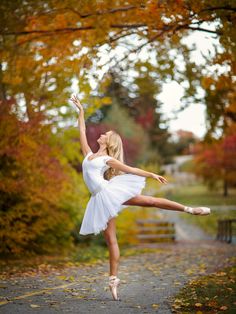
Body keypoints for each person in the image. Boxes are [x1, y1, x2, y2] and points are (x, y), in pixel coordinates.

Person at [69, 94, 211, 301]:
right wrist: (81, 111)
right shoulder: (88, 154)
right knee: (110, 239)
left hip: (108, 192)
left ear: (109, 142)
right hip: (99, 198)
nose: (103, 133)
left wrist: (151, 174)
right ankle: (113, 280)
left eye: (106, 133)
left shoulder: (108, 159)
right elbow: (81, 130)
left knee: (150, 201)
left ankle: (190, 209)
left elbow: (129, 168)